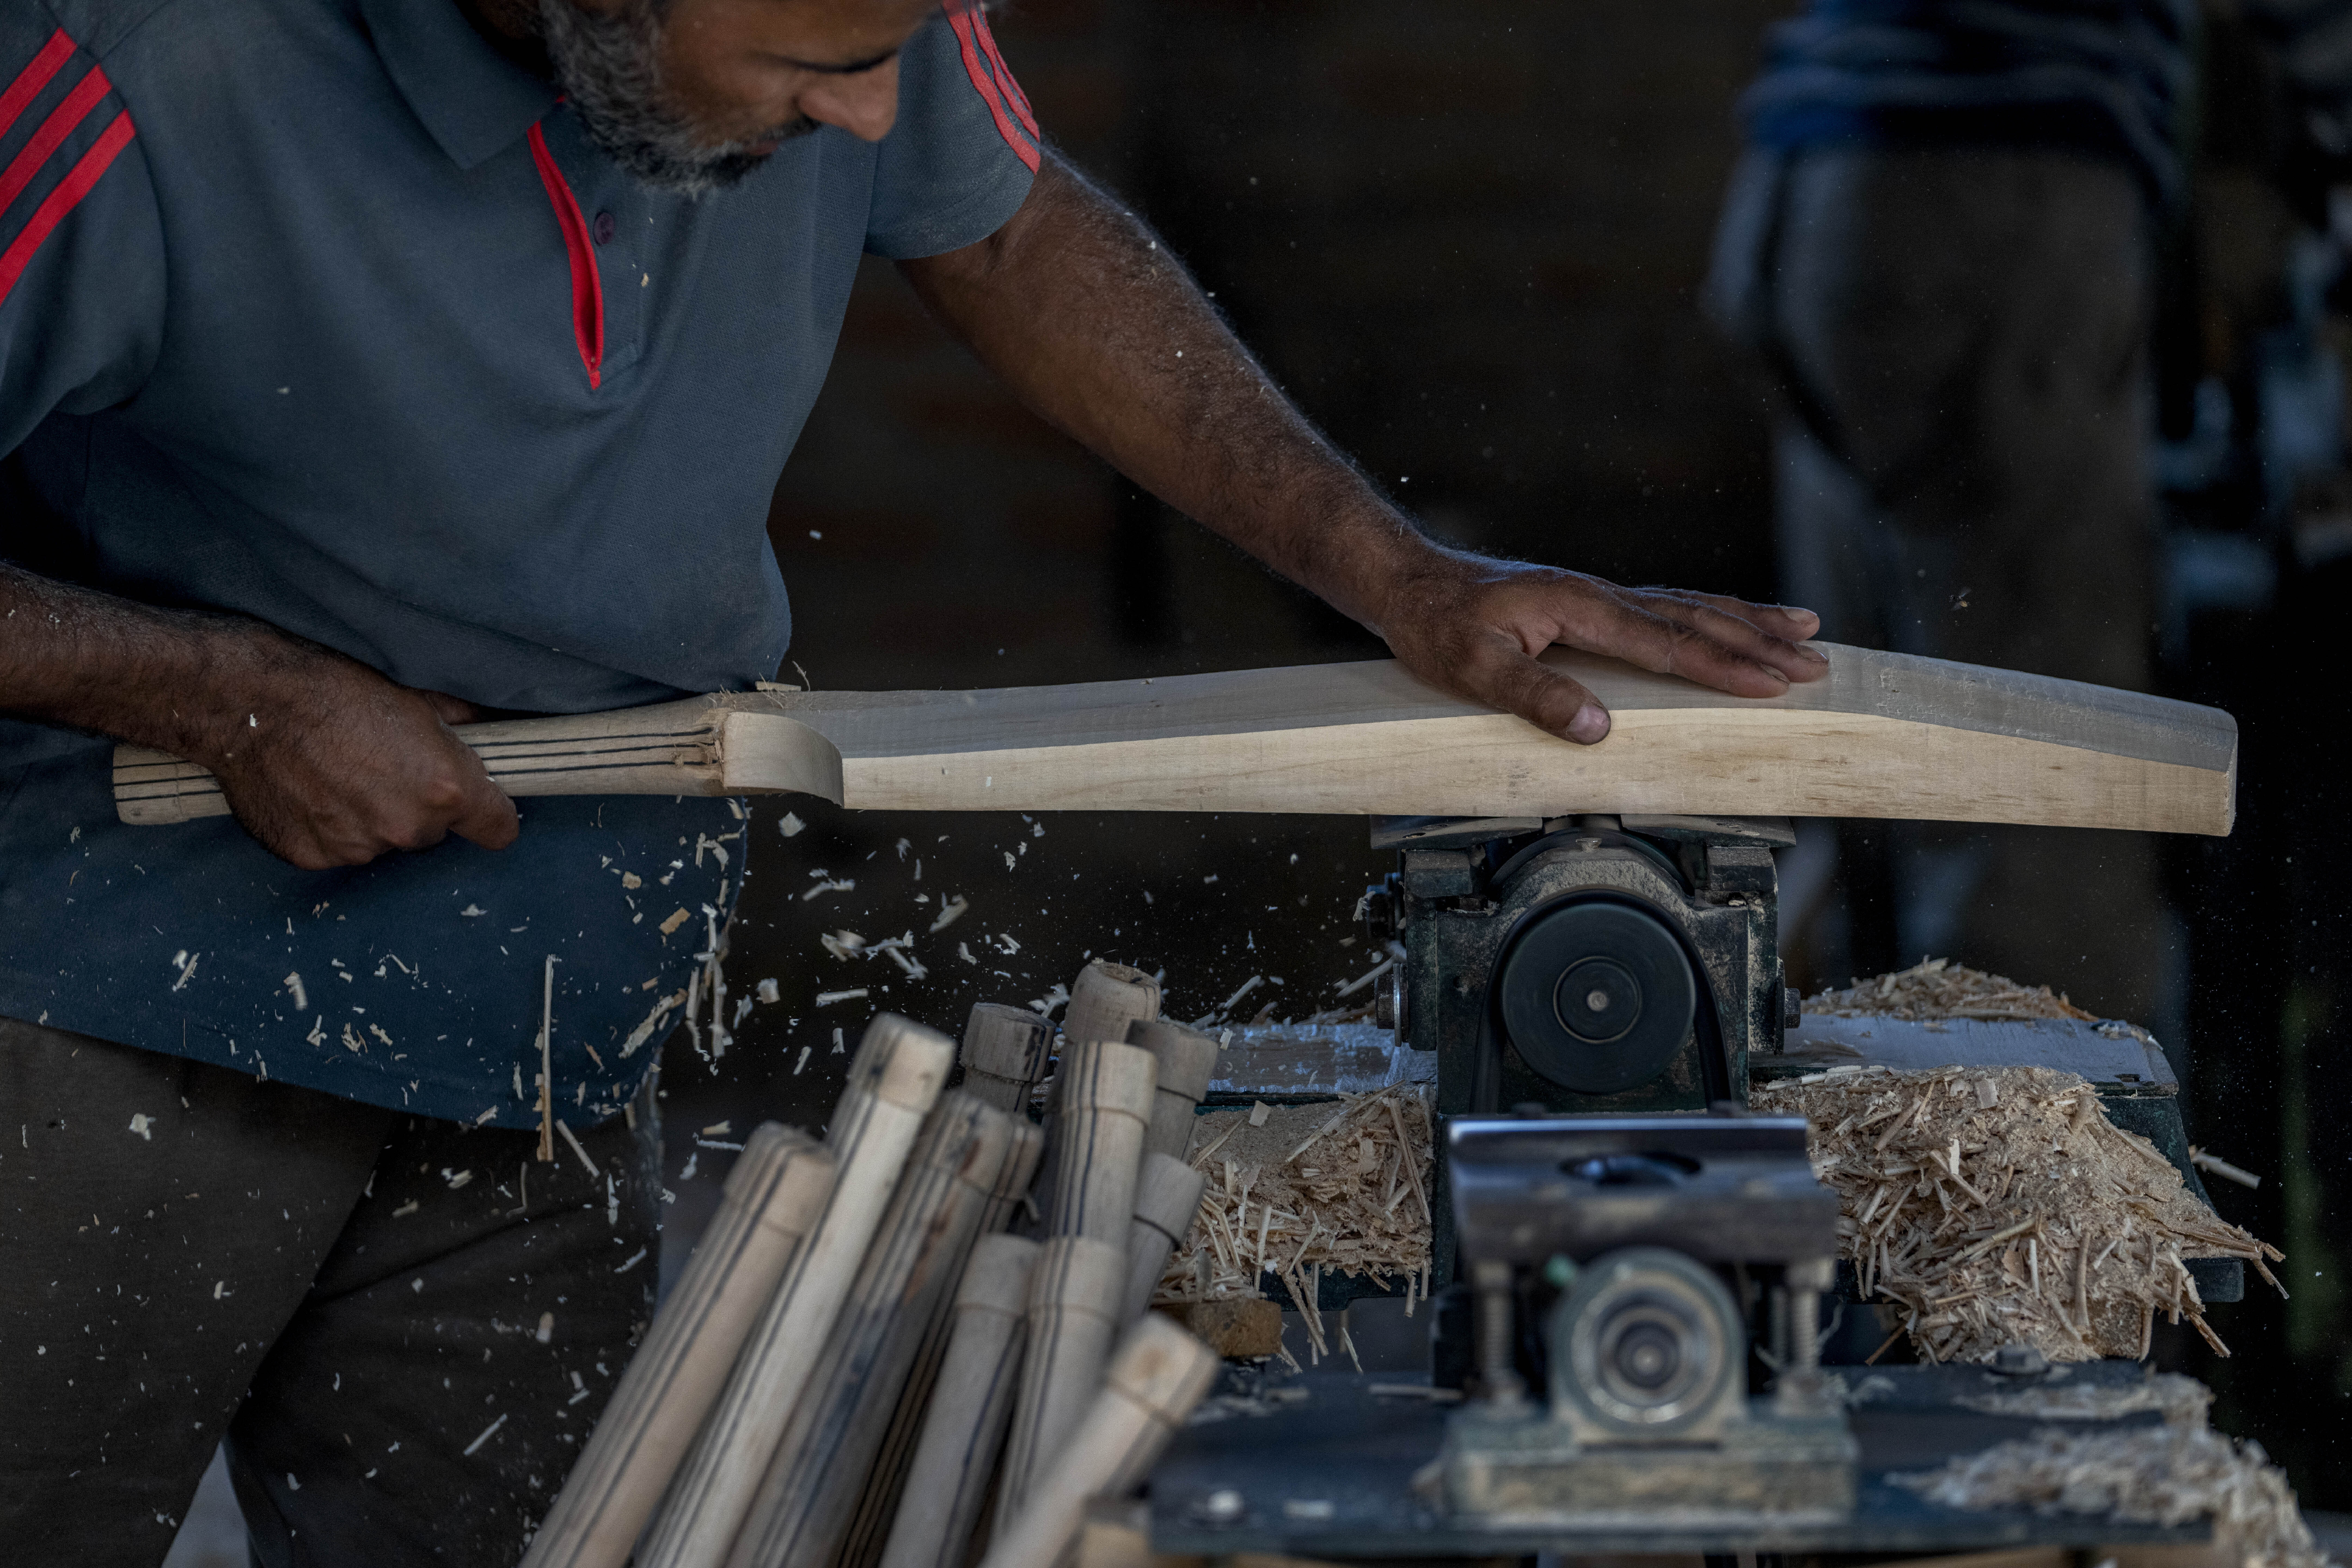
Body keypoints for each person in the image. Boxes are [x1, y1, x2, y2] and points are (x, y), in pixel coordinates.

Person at [0, 0, 1826, 1559]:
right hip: (108, 1006)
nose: (877, 105)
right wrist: (218, 695)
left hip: (549, 995)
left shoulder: (863, 22)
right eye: (825, 56)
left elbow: (1009, 231)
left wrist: (1394, 574)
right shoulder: (141, 72)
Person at [1704, 0, 2195, 1022]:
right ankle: (2049, 1172)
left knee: (1873, 748)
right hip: (1994, 180)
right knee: (2040, 784)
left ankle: (1870, 1157)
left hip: (1813, 183)